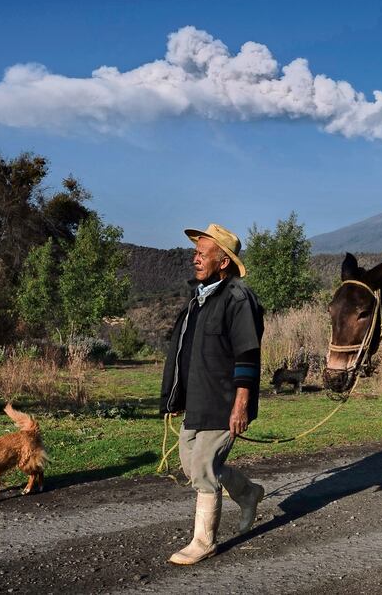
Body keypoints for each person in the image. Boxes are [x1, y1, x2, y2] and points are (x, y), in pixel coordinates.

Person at [159, 223, 266, 565]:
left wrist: (241, 403)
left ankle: (203, 541)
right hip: (198, 399)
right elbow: (187, 353)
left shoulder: (237, 297)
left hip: (224, 399)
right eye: (195, 252)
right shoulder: (200, 298)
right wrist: (178, 397)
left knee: (204, 466)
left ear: (223, 262)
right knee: (191, 464)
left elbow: (247, 354)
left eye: (202, 254)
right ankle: (248, 493)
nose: (195, 259)